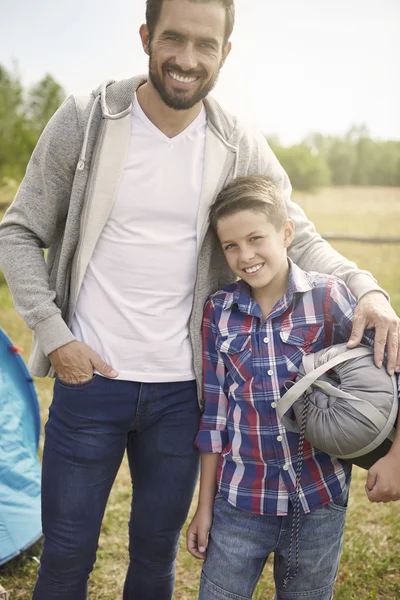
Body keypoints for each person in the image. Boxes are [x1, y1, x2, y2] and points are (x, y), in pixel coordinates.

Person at [0, 0, 398, 598]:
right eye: (173, 39)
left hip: (184, 396)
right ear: (146, 37)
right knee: (65, 557)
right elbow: (19, 230)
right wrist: (54, 336)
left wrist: (367, 288)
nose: (187, 59)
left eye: (205, 45)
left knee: (156, 557)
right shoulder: (87, 119)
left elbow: (297, 233)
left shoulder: (237, 139)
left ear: (225, 52)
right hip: (90, 383)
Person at [186, 175, 400, 600]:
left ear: (286, 233)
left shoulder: (330, 297)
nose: (245, 255)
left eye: (255, 238)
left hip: (318, 502)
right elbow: (214, 419)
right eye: (231, 246)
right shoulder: (219, 312)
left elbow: (394, 371)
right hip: (238, 502)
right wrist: (204, 506)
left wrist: (397, 456)